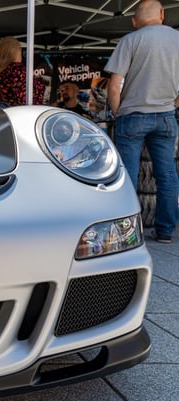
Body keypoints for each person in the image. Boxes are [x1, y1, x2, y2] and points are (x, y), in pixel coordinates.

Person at [105, 0, 179, 243]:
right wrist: (173, 103)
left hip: (133, 115)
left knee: (127, 175)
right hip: (166, 116)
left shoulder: (130, 40)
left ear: (134, 21)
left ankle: (127, 234)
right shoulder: (177, 39)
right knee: (167, 174)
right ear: (162, 15)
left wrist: (118, 112)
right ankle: (166, 230)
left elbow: (114, 85)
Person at [0, 37, 45, 107]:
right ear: (15, 53)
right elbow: (25, 97)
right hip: (18, 113)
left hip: (1, 114)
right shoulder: (16, 70)